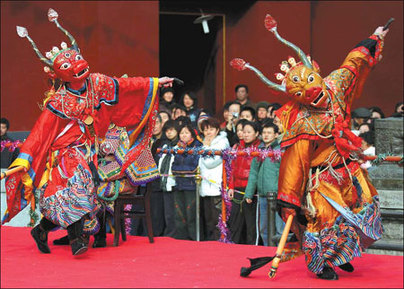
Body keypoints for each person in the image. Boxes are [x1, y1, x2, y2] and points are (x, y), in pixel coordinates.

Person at [3, 8, 175, 256]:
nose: (76, 65)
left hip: (89, 149)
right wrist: (23, 159)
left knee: (80, 195)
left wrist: (157, 81)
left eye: (75, 58)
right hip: (66, 152)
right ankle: (77, 241)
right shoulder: (58, 101)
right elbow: (39, 132)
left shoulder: (98, 82)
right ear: (60, 72)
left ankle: (41, 230)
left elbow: (125, 85)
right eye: (67, 64)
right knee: (79, 187)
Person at [231, 14, 387, 280]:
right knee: (325, 219)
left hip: (349, 168)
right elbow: (296, 160)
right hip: (322, 176)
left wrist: (374, 38)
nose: (313, 95)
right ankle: (321, 263)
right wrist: (289, 198)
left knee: (360, 210)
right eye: (303, 95)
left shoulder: (335, 83)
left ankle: (342, 254)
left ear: (317, 77)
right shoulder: (302, 120)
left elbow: (353, 61)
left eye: (313, 86)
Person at [244, 121, 284, 246]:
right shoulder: (259, 150)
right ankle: (267, 251)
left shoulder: (281, 151)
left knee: (279, 228)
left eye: (269, 133)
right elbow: (253, 173)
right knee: (263, 228)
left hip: (277, 195)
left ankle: (279, 253)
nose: (266, 135)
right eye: (264, 133)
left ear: (276, 134)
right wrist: (249, 193)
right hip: (262, 195)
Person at [227, 121, 261, 244]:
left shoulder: (260, 149)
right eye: (243, 131)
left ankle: (251, 247)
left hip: (251, 190)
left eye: (249, 132)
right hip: (237, 189)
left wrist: (251, 191)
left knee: (250, 223)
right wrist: (230, 187)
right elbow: (232, 168)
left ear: (257, 133)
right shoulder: (237, 147)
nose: (245, 134)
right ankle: (234, 247)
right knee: (235, 221)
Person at [199, 117, 230, 241]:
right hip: (205, 186)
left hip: (216, 185)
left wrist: (205, 147)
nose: (208, 133)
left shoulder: (222, 142)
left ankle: (219, 241)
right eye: (206, 130)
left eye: (211, 129)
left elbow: (211, 162)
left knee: (217, 218)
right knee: (208, 218)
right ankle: (210, 242)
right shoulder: (205, 143)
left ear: (217, 130)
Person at [171, 123, 202, 240]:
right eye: (181, 133)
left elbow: (194, 167)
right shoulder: (178, 148)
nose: (183, 135)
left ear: (192, 134)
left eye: (186, 133)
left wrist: (182, 170)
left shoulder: (198, 147)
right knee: (179, 214)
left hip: (191, 185)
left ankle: (193, 239)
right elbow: (173, 168)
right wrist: (182, 170)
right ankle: (181, 239)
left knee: (191, 215)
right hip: (179, 184)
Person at [152, 118, 177, 237]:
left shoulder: (169, 144)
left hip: (169, 182)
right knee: (159, 212)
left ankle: (168, 234)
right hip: (155, 181)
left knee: (169, 212)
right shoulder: (161, 143)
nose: (154, 126)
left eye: (157, 123)